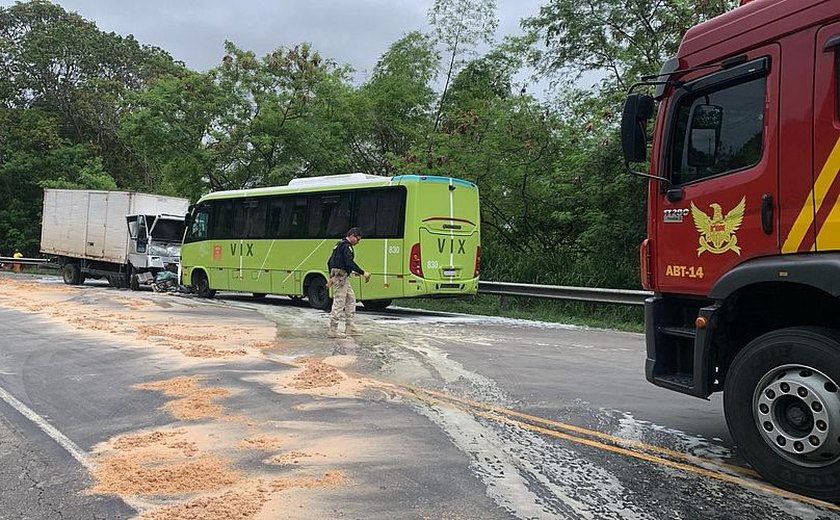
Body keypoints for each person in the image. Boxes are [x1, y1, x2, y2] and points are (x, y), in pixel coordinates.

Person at [326, 227, 370, 338]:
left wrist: (331, 276)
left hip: (340, 276)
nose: (358, 242)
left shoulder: (339, 245)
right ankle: (333, 329)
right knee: (339, 302)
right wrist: (362, 272)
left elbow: (330, 261)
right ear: (351, 235)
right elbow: (349, 262)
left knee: (351, 298)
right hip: (341, 277)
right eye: (357, 239)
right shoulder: (346, 247)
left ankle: (350, 326)